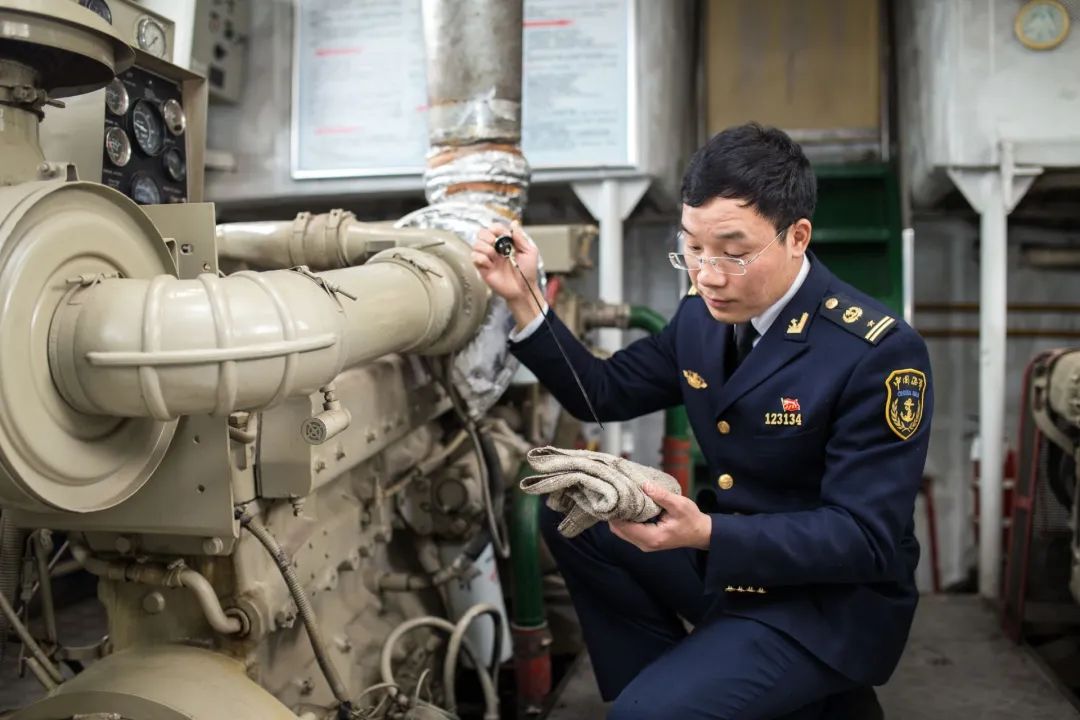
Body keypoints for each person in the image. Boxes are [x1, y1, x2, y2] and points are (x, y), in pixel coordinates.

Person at [471, 123, 933, 720]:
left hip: (826, 604)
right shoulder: (704, 316)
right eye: (691, 248)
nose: (707, 274)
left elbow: (864, 540)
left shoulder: (874, 352)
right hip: (730, 562)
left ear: (797, 237)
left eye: (734, 254)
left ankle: (686, 695)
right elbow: (602, 392)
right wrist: (525, 297)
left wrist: (707, 535)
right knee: (578, 522)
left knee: (648, 714)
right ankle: (681, 684)